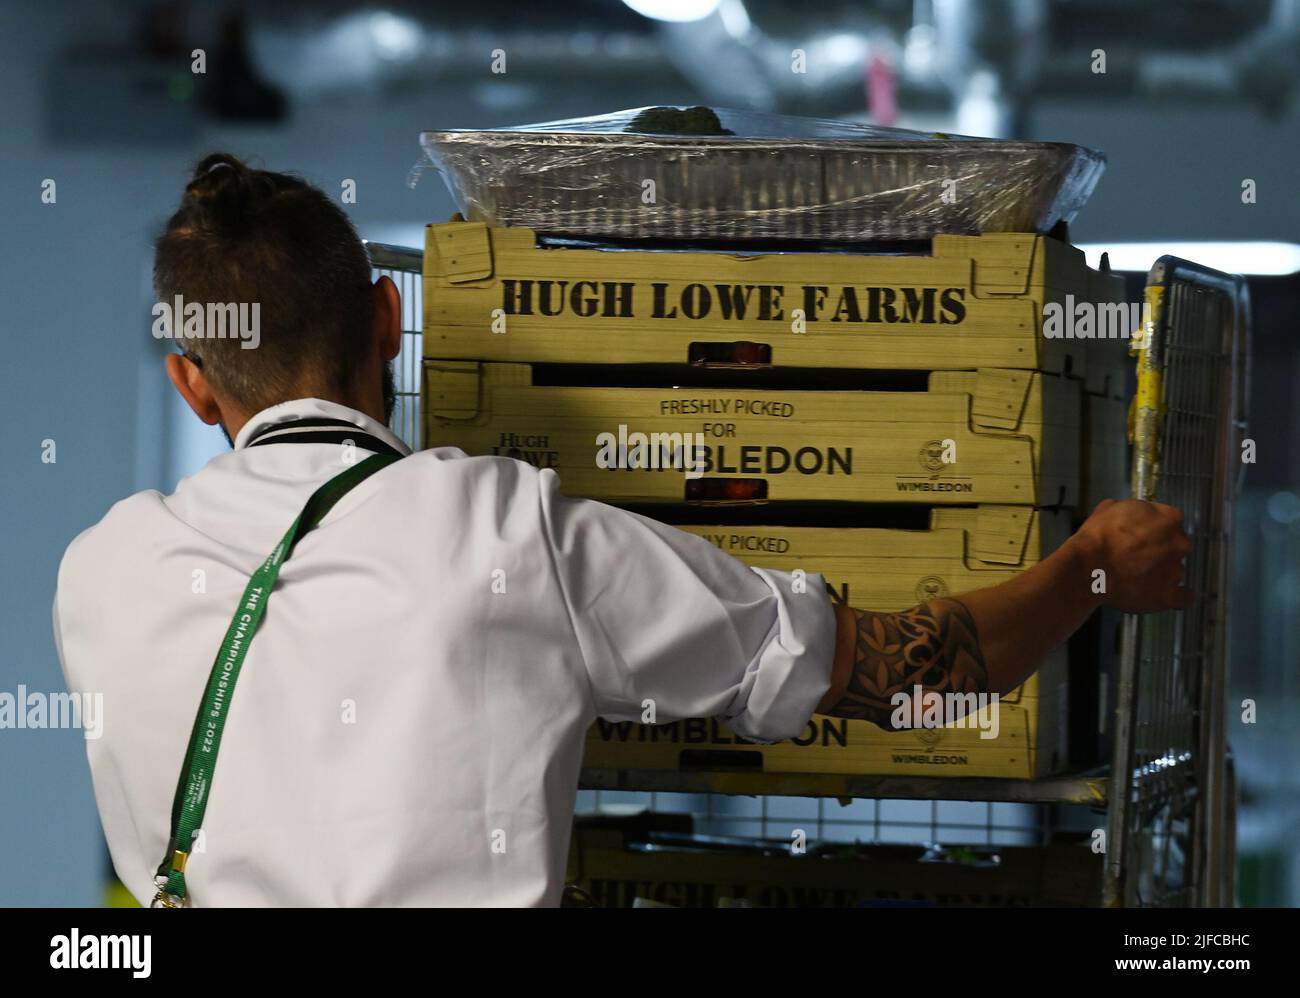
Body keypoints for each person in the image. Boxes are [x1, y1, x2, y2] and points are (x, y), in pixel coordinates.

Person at [53, 154, 1192, 907]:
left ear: (193, 385)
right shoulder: (500, 528)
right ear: (390, 320)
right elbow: (895, 677)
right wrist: (1090, 566)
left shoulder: (97, 575)